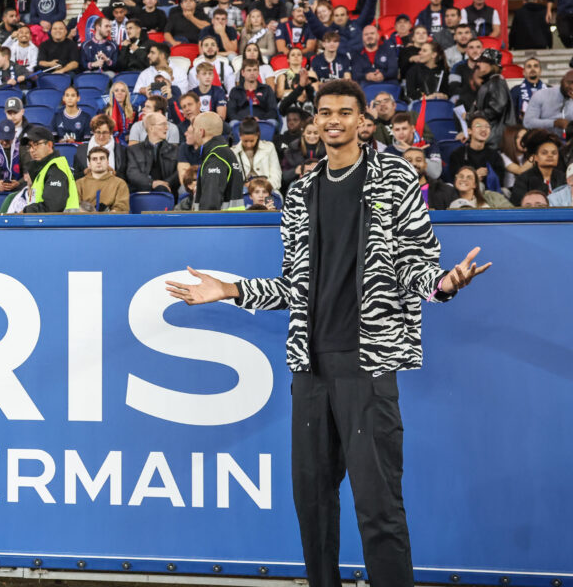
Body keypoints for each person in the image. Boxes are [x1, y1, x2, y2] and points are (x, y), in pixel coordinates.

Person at [166, 78, 489, 587]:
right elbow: (295, 283)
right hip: (309, 367)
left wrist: (444, 284)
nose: (333, 120)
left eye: (344, 111)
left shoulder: (396, 180)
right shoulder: (300, 190)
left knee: (378, 506)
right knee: (312, 504)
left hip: (369, 364)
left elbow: (414, 267)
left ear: (363, 121)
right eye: (324, 112)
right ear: (314, 122)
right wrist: (229, 290)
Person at [186, 111, 244, 210]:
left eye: (194, 129)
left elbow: (210, 203)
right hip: (231, 222)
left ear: (201, 132)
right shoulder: (226, 152)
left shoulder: (215, 157)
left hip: (220, 223)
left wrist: (203, 223)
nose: (191, 132)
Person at [19, 125, 79, 213]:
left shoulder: (56, 169)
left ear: (49, 145)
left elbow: (52, 206)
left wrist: (26, 211)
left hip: (61, 225)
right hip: (50, 224)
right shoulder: (43, 169)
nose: (32, 150)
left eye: (36, 144)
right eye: (30, 146)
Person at [125, 112, 179, 193]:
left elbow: (178, 173)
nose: (167, 128)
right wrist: (152, 183)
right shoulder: (133, 150)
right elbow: (132, 173)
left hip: (168, 192)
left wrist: (164, 185)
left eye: (166, 124)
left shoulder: (176, 150)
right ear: (151, 128)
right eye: (163, 124)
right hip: (141, 192)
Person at [470, 49, 512, 149]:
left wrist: (472, 115)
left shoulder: (496, 82)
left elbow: (497, 107)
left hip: (496, 139)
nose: (478, 64)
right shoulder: (491, 82)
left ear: (492, 64)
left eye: (482, 61)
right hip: (493, 136)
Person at [510, 130, 565, 205]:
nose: (550, 155)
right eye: (544, 153)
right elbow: (517, 205)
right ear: (535, 157)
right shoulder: (523, 179)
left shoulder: (563, 177)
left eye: (554, 153)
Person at [76, 146, 130, 213]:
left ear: (107, 162)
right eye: (94, 159)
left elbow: (122, 207)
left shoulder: (120, 183)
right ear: (89, 164)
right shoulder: (79, 184)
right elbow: (75, 207)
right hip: (85, 221)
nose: (98, 162)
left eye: (102, 158)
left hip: (111, 221)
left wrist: (107, 216)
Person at [232, 117, 281, 190]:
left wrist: (261, 187)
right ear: (239, 136)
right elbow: (231, 180)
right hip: (242, 191)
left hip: (267, 189)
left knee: (274, 199)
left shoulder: (269, 148)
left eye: (252, 141)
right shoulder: (233, 152)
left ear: (258, 135)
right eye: (245, 141)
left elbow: (276, 177)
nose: (249, 145)